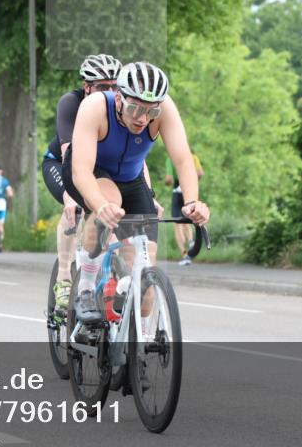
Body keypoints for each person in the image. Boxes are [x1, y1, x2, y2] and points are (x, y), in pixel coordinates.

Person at [64, 62, 210, 322]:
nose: (142, 118)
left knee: (145, 286)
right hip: (90, 171)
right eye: (134, 108)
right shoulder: (95, 106)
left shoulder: (164, 110)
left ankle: (128, 334)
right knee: (109, 202)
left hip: (132, 180)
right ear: (118, 97)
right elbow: (81, 172)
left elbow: (184, 161)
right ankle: (85, 286)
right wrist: (99, 206)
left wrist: (192, 202)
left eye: (150, 111)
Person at [41, 53, 122, 309]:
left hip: (99, 167)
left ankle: (109, 279)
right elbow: (69, 155)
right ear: (87, 87)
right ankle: (64, 276)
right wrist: (69, 196)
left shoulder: (122, 106)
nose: (108, 93)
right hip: (62, 162)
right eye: (101, 87)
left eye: (113, 87)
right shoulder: (71, 103)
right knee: (75, 206)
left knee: (110, 215)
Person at [164, 151, 204, 265]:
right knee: (187, 220)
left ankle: (184, 254)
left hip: (177, 190)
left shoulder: (170, 158)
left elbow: (168, 178)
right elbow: (200, 173)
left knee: (177, 224)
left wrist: (167, 182)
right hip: (189, 192)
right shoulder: (194, 157)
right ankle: (191, 241)